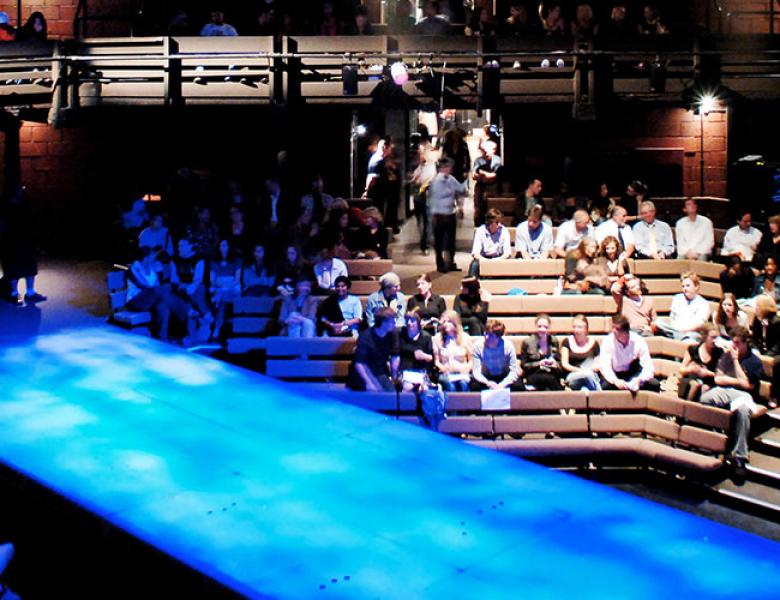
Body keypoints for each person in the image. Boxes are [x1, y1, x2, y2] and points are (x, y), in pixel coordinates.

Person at [700, 326, 763, 479]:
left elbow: (748, 386)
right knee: (705, 399)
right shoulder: (725, 356)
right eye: (732, 342)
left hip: (744, 396)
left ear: (745, 343)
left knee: (742, 411)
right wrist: (737, 380)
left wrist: (735, 360)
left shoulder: (754, 361)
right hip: (725, 391)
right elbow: (718, 378)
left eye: (737, 343)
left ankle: (739, 457)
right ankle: (715, 443)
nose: (733, 346)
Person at [126, 246, 194, 342]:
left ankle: (162, 338)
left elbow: (158, 284)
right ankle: (187, 310)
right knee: (163, 290)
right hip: (136, 301)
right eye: (152, 255)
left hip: (152, 299)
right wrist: (159, 287)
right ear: (146, 257)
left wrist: (159, 271)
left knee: (163, 306)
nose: (155, 257)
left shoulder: (153, 267)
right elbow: (143, 285)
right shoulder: (134, 268)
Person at [0, 184, 46, 305]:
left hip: (25, 239)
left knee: (29, 266)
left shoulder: (24, 204)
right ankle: (15, 293)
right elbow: (3, 222)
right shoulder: (6, 205)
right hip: (11, 240)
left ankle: (30, 292)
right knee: (13, 267)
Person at [599, 315, 661, 392]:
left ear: (626, 331)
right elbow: (605, 367)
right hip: (615, 374)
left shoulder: (638, 341)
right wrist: (616, 381)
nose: (613, 331)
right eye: (613, 328)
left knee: (654, 384)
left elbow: (648, 367)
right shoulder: (608, 341)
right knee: (605, 386)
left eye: (617, 329)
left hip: (633, 374)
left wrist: (640, 380)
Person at [429, 157, 468, 273]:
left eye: (450, 167)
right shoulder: (436, 182)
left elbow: (461, 189)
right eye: (447, 167)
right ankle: (440, 264)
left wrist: (465, 183)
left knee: (451, 241)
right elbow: (439, 197)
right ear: (441, 168)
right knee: (439, 242)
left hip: (450, 214)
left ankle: (450, 262)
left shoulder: (451, 179)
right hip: (439, 215)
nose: (449, 169)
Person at [347, 307, 400, 391]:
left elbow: (394, 356)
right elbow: (359, 363)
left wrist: (394, 377)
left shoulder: (392, 334)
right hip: (363, 373)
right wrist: (369, 383)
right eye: (392, 321)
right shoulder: (365, 336)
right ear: (383, 323)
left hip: (380, 372)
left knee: (391, 395)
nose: (394, 323)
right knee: (376, 394)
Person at [471, 319, 524, 391]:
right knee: (474, 386)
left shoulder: (508, 346)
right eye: (485, 333)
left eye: (490, 335)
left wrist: (503, 384)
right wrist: (487, 382)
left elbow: (514, 371)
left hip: (504, 376)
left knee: (518, 386)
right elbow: (476, 371)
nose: (486, 337)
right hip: (485, 378)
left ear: (498, 337)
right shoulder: (477, 347)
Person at [656, 272, 711, 342]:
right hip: (674, 329)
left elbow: (699, 325)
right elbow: (672, 318)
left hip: (691, 332)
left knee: (691, 338)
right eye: (683, 286)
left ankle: (678, 338)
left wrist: (682, 330)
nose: (685, 288)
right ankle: (677, 337)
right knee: (658, 322)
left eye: (688, 286)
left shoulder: (704, 303)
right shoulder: (677, 298)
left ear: (696, 286)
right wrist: (676, 329)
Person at [171, 238, 211, 324]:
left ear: (190, 246)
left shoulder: (198, 259)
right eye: (178, 246)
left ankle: (207, 319)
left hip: (196, 285)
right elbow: (174, 277)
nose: (179, 248)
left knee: (196, 294)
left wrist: (191, 287)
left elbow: (198, 278)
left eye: (182, 246)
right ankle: (198, 316)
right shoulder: (175, 259)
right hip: (180, 286)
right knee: (179, 294)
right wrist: (181, 285)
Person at [678, 323, 723, 401]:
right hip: (692, 378)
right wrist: (691, 369)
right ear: (704, 337)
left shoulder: (719, 352)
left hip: (709, 380)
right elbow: (681, 370)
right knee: (695, 385)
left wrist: (707, 373)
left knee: (705, 388)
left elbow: (721, 375)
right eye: (712, 337)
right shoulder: (693, 349)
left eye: (716, 338)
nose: (715, 340)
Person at [209, 239, 241, 341]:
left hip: (232, 286)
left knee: (223, 295)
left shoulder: (237, 261)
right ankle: (218, 328)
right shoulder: (214, 261)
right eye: (220, 245)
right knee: (222, 298)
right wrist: (221, 286)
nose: (222, 247)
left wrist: (226, 286)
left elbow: (237, 279)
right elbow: (212, 280)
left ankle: (216, 328)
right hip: (219, 286)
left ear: (229, 247)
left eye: (224, 245)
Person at [752, 295, 780, 409]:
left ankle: (775, 395)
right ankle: (754, 393)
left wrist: (765, 357)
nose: (755, 308)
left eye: (757, 306)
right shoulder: (757, 319)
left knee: (777, 365)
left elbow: (778, 345)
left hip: (776, 353)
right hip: (762, 352)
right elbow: (753, 339)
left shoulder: (777, 322)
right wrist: (755, 350)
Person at [521, 314, 562, 391]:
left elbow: (559, 364)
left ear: (549, 328)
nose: (542, 329)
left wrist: (555, 364)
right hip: (534, 373)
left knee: (552, 380)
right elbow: (524, 365)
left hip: (550, 373)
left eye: (545, 327)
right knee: (545, 380)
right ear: (536, 326)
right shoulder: (527, 342)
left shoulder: (554, 341)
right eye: (539, 326)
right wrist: (539, 363)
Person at [433, 310, 472, 391]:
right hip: (446, 373)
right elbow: (437, 362)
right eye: (444, 322)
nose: (445, 324)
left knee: (463, 384)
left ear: (455, 323)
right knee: (451, 386)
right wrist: (443, 368)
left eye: (449, 322)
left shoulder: (465, 337)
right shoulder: (437, 338)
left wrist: (466, 369)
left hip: (462, 373)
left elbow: (471, 361)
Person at [561, 314, 601, 391]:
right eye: (574, 327)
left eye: (579, 327)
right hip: (572, 376)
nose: (576, 330)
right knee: (587, 374)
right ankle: (601, 396)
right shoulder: (567, 342)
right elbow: (565, 364)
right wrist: (581, 371)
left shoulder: (594, 343)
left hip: (590, 375)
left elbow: (597, 364)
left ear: (586, 329)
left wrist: (593, 368)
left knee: (584, 389)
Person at [469, 208, 512, 277]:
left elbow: (507, 253)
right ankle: (470, 285)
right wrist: (485, 261)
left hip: (500, 259)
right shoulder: (480, 231)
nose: (499, 225)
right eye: (497, 222)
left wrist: (497, 260)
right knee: (474, 265)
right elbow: (475, 253)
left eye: (500, 222)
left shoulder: (504, 231)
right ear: (489, 223)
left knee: (510, 265)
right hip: (483, 258)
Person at [399, 311, 435, 392]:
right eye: (407, 320)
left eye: (412, 321)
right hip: (405, 371)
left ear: (418, 323)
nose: (409, 323)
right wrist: (415, 352)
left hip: (421, 372)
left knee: (424, 389)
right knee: (408, 387)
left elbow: (430, 357)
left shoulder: (426, 337)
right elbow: (401, 348)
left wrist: (424, 356)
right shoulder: (401, 334)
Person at [471, 139, 501, 226]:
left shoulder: (498, 160)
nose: (485, 153)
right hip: (480, 188)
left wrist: (484, 174)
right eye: (484, 151)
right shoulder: (478, 160)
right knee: (479, 210)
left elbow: (496, 175)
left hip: (493, 189)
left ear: (494, 150)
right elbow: (474, 175)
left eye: (487, 151)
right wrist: (485, 177)